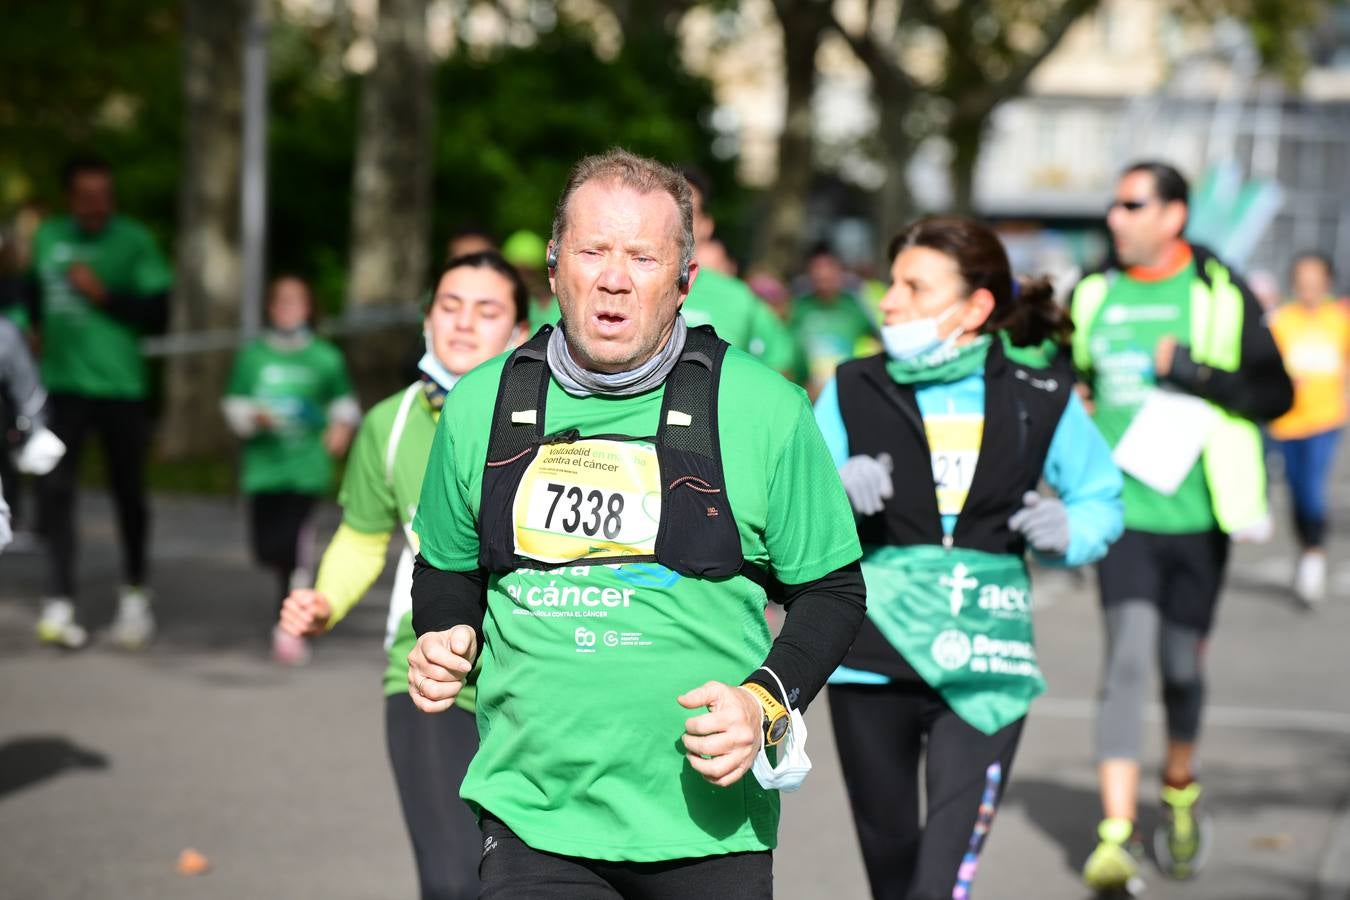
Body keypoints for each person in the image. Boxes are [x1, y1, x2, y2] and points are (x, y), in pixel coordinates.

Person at [406, 149, 866, 898]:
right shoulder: (481, 403)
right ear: (554, 265)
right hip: (533, 815)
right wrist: (443, 630)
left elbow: (834, 591)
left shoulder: (766, 408)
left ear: (685, 281)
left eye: (643, 257)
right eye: (592, 251)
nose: (614, 278)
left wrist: (764, 699)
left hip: (707, 824)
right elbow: (449, 565)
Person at [814, 217, 1123, 900]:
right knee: (892, 875)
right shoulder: (851, 386)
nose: (888, 300)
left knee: (939, 884)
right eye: (891, 282)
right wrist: (832, 490)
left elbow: (1101, 494)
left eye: (913, 287)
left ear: (975, 307)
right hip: (873, 656)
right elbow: (792, 512)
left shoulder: (1038, 393)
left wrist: (1073, 526)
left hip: (987, 662)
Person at [277, 251, 529, 899]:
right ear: (426, 319)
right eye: (449, 306)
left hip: (540, 682)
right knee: (453, 883)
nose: (464, 323)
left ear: (521, 333)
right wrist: (324, 600)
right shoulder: (388, 426)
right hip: (427, 677)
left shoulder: (557, 420)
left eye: (487, 310)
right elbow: (363, 537)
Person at [1071, 161, 1293, 891]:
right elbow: (1058, 376)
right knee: (1127, 660)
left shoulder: (1217, 292)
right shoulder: (1093, 292)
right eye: (1114, 203)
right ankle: (1114, 835)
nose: (1115, 217)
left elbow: (1276, 393)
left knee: (1178, 668)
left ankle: (1179, 789)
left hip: (1200, 517)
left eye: (1131, 204)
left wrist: (1196, 372)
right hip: (1120, 517)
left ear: (1174, 215)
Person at [27, 155, 173, 650]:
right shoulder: (47, 236)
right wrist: (33, 330)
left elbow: (160, 311)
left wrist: (103, 295)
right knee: (55, 494)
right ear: (71, 197)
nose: (97, 205)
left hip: (120, 392)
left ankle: (135, 594)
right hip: (61, 389)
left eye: (104, 195)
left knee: (128, 495)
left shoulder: (133, 240)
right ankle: (60, 598)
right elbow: (33, 293)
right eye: (87, 196)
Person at [221, 275, 360, 664]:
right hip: (264, 468)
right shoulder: (253, 357)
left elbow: (344, 405)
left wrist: (340, 430)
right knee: (268, 549)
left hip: (306, 468)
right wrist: (253, 416)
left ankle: (290, 625)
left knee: (295, 545)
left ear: (308, 308)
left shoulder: (325, 357)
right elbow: (234, 405)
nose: (289, 309)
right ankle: (287, 590)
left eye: (296, 301)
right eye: (282, 301)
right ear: (271, 307)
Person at [1267, 252, 1350, 605]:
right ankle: (1306, 547)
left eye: (1315, 279)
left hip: (1325, 420)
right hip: (1286, 422)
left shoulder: (1340, 319)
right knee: (1297, 491)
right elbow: (1266, 369)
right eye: (1303, 279)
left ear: (1327, 282)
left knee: (1314, 489)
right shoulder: (1281, 321)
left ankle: (1314, 556)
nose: (1309, 286)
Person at [790, 243, 879, 397]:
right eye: (817, 269)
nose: (823, 275)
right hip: (808, 393)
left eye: (828, 269)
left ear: (839, 272)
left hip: (849, 391)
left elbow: (878, 341)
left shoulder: (855, 306)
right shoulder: (799, 308)